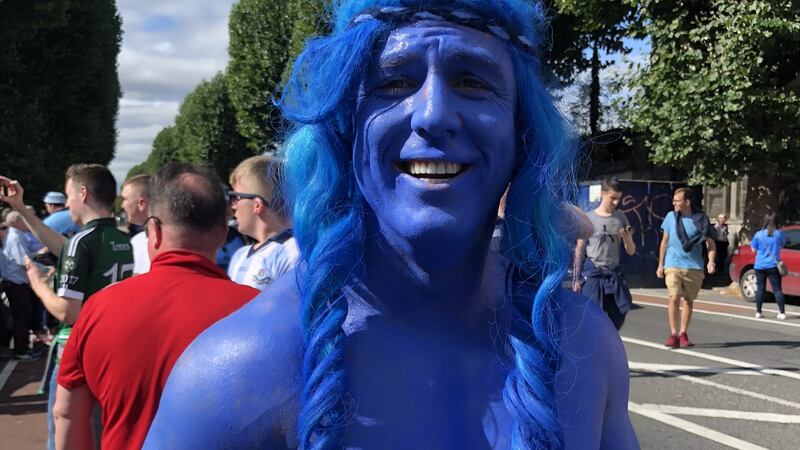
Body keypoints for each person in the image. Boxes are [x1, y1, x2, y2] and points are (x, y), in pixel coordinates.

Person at [145, 1, 638, 449]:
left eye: (472, 80)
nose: (433, 114)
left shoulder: (583, 344)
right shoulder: (235, 369)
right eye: (394, 82)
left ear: (522, 131)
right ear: (344, 127)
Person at [52, 163, 259, 450]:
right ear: (224, 233)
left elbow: (66, 414)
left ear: (154, 231)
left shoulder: (99, 307)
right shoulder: (256, 310)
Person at [0, 163, 134, 450]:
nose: (67, 203)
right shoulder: (120, 238)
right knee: (99, 429)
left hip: (77, 348)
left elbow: (67, 312)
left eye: (68, 195)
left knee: (62, 429)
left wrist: (38, 285)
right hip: (110, 348)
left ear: (82, 194)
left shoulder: (82, 241)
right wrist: (22, 209)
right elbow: (66, 247)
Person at [226, 155, 299, 290]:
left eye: (235, 198)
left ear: (257, 205)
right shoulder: (239, 255)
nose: (233, 206)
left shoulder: (293, 252)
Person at [656, 187, 716, 348]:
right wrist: (660, 264)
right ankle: (673, 334)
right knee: (674, 296)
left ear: (687, 202)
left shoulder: (701, 220)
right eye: (673, 200)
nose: (673, 203)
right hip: (672, 263)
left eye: (677, 200)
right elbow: (664, 241)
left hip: (693, 266)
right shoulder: (670, 217)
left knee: (688, 300)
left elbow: (710, 243)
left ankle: (683, 333)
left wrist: (711, 261)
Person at [573, 179, 636, 330]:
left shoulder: (621, 218)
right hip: (594, 274)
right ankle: (593, 347)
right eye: (612, 198)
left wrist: (627, 238)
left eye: (618, 198)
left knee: (619, 314)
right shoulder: (588, 218)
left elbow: (631, 250)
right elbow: (579, 249)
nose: (615, 202)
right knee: (591, 317)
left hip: (613, 273)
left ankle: (609, 342)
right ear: (603, 194)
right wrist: (576, 277)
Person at [0, 210, 44, 360]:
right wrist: (45, 269)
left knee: (23, 316)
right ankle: (21, 351)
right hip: (16, 283)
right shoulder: (15, 236)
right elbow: (23, 261)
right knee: (21, 318)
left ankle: (23, 349)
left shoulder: (17, 235)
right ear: (17, 221)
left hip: (17, 282)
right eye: (26, 219)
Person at [750, 212, 786, 320]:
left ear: (765, 221)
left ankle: (758, 312)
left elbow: (753, 249)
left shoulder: (758, 235)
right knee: (777, 289)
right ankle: (782, 312)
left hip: (760, 265)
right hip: (773, 265)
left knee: (760, 288)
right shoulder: (779, 234)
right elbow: (782, 244)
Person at [119, 174, 151, 274]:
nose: (122, 205)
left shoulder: (169, 245)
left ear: (141, 204)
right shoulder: (135, 241)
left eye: (125, 199)